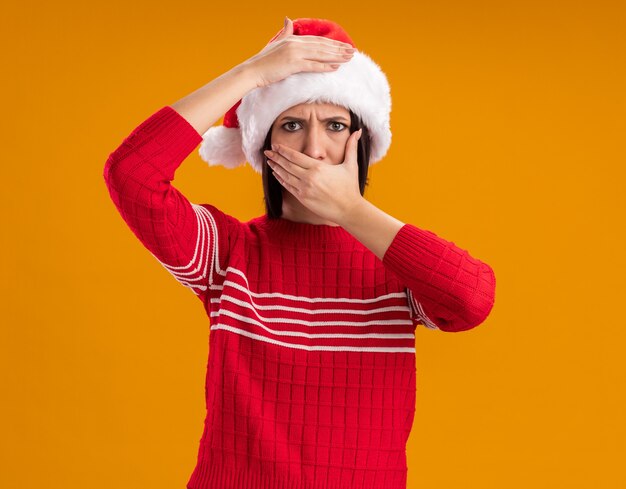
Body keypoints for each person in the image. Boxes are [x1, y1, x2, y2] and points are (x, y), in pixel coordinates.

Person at [103, 16, 496, 489]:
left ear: (361, 142)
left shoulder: (393, 262)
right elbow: (132, 174)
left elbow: (471, 301)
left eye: (335, 124)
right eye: (291, 124)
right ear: (265, 146)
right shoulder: (229, 254)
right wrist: (252, 75)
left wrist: (351, 210)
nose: (314, 147)